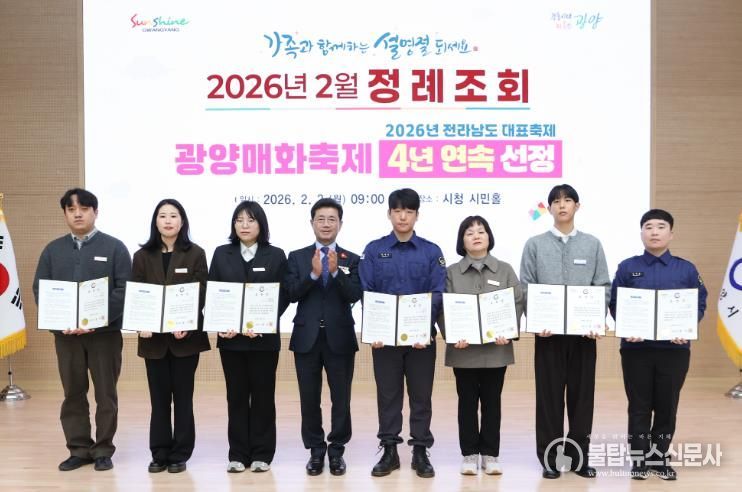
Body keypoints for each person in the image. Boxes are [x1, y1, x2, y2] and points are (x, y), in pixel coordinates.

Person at [32, 188, 132, 472]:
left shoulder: (115, 248)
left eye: (84, 209)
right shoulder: (52, 250)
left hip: (104, 336)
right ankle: (78, 449)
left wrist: (94, 320)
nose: (78, 214)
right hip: (66, 337)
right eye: (71, 209)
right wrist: (61, 322)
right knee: (73, 393)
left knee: (105, 394)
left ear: (95, 212)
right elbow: (41, 289)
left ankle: (103, 450)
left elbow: (124, 289)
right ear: (65, 214)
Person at [519, 184, 610, 479]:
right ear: (548, 208)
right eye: (556, 201)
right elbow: (526, 286)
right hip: (548, 337)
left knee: (582, 399)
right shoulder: (534, 245)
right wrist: (536, 320)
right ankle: (550, 458)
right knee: (549, 399)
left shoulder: (592, 244)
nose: (562, 205)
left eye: (567, 200)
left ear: (576, 206)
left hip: (584, 337)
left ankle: (578, 458)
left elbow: (603, 286)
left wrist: (596, 320)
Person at [609, 209, 707, 481]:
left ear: (671, 234)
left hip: (674, 350)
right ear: (641, 233)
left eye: (661, 227)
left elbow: (699, 302)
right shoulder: (627, 267)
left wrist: (686, 328)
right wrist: (627, 327)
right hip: (636, 350)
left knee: (667, 406)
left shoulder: (686, 269)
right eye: (649, 227)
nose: (654, 232)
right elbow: (615, 303)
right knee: (639, 406)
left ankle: (659, 458)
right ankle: (639, 460)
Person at [359, 188, 446, 478]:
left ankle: (420, 451)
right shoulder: (374, 250)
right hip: (385, 340)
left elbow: (438, 292)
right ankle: (389, 450)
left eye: (409, 211)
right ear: (389, 214)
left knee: (421, 396)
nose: (403, 216)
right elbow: (367, 291)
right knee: (388, 396)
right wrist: (375, 328)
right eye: (397, 211)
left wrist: (422, 326)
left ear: (417, 215)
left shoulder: (431, 251)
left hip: (421, 339)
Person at [439, 216, 524, 476]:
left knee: (491, 403)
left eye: (481, 231)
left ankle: (490, 454)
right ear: (461, 240)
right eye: (469, 232)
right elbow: (443, 307)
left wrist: (508, 330)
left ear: (489, 237)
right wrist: (453, 334)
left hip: (496, 351)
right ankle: (469, 454)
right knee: (466, 403)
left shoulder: (505, 270)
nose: (476, 236)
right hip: (463, 351)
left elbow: (517, 302)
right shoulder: (451, 272)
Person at [208, 201, 289, 474]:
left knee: (263, 396)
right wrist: (221, 323)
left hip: (264, 340)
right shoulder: (221, 253)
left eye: (251, 220)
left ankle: (262, 454)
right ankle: (238, 454)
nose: (244, 225)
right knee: (236, 396)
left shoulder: (275, 255)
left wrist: (264, 322)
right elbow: (213, 291)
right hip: (231, 340)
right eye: (239, 220)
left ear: (261, 225)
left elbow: (284, 295)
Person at [285, 198, 362, 476]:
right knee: (309, 399)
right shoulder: (297, 257)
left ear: (340, 224)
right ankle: (316, 451)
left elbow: (355, 294)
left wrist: (335, 273)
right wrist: (313, 275)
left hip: (340, 338)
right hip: (306, 337)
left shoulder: (352, 259)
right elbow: (291, 293)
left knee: (341, 399)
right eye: (321, 219)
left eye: (332, 219)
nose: (326, 224)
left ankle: (337, 450)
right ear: (312, 223)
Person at [132, 199, 210, 474]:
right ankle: (159, 452)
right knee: (159, 400)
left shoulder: (196, 253)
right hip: (153, 340)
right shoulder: (142, 256)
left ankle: (180, 453)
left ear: (182, 221)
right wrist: (141, 322)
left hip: (185, 340)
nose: (168, 220)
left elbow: (201, 291)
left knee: (184, 399)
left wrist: (187, 322)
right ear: (155, 221)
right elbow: (137, 293)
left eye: (173, 215)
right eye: (162, 215)